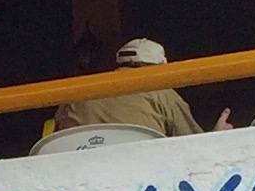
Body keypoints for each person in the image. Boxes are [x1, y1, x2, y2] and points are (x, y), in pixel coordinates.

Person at [39, 34, 219, 147]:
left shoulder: (81, 90)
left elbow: (54, 137)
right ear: (160, 68)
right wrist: (218, 136)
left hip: (80, 174)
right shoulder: (163, 92)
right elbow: (195, 146)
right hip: (142, 177)